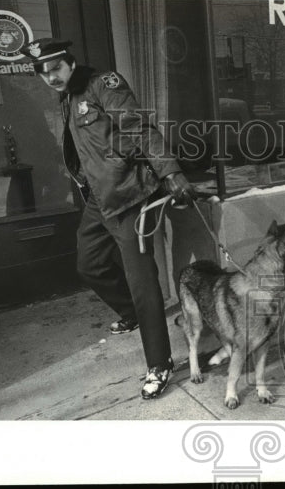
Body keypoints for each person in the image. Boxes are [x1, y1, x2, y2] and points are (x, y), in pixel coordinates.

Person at [20, 38, 197, 399]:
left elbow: (138, 127)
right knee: (90, 265)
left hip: (131, 196)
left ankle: (159, 364)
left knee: (142, 281)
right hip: (100, 201)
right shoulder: (68, 96)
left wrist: (170, 171)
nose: (50, 77)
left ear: (70, 62)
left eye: (55, 68)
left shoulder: (103, 84)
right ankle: (132, 313)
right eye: (43, 72)